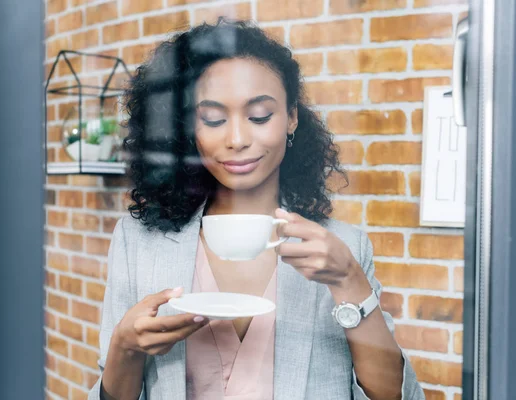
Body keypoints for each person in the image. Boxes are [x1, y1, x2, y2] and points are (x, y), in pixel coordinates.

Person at [88, 19, 425, 400]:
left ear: (292, 117)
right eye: (213, 119)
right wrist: (126, 348)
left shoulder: (344, 247)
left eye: (260, 116)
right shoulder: (138, 243)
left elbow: (396, 396)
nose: (237, 139)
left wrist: (349, 281)